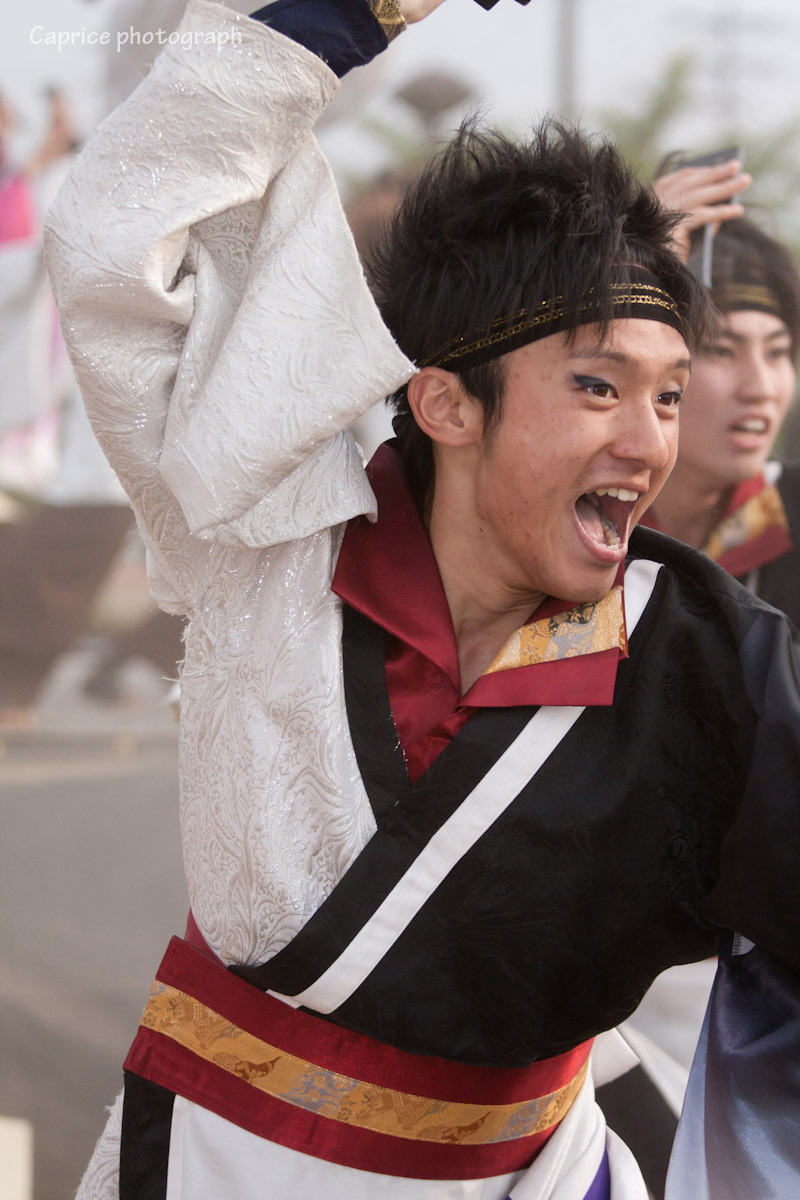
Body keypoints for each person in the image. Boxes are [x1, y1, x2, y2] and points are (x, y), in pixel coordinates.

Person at [44, 2, 800, 1198]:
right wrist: (336, 19)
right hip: (217, 1168)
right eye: (598, 384)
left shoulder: (703, 658)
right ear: (445, 404)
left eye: (665, 397)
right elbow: (111, 242)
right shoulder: (270, 534)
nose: (645, 442)